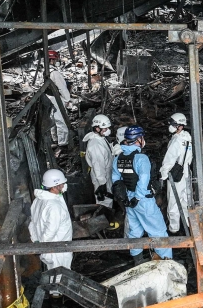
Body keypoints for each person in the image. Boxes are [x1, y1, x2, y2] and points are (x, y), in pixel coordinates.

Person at [112, 126, 173, 261]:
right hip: (143, 201)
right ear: (138, 139)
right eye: (142, 138)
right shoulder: (141, 158)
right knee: (159, 231)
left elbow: (116, 181)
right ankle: (168, 262)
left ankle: (137, 261)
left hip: (129, 201)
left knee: (135, 231)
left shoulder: (119, 158)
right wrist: (138, 197)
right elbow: (144, 179)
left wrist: (125, 198)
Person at [29, 169, 74, 270]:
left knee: (53, 275)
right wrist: (42, 246)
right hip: (57, 250)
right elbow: (50, 231)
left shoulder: (38, 200)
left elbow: (32, 223)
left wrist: (36, 241)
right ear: (55, 186)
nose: (64, 185)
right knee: (60, 278)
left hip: (47, 249)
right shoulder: (54, 206)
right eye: (62, 184)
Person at [160, 112, 193, 233]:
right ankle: (188, 223)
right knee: (185, 199)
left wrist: (163, 176)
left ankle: (174, 228)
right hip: (186, 174)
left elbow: (168, 161)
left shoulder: (176, 142)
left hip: (176, 176)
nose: (171, 126)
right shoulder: (187, 138)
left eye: (173, 124)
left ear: (180, 126)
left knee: (173, 202)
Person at [83, 114, 114, 208]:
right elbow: (98, 166)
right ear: (97, 129)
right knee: (104, 200)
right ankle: (104, 219)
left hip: (105, 174)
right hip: (101, 177)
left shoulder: (101, 139)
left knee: (108, 198)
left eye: (108, 128)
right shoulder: (95, 145)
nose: (107, 130)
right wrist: (102, 183)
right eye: (105, 129)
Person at [46, 50, 72, 146]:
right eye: (56, 59)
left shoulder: (45, 71)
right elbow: (62, 87)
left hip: (48, 97)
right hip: (56, 98)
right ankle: (63, 142)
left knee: (52, 119)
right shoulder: (55, 73)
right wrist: (67, 99)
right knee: (61, 120)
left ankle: (55, 139)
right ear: (52, 60)